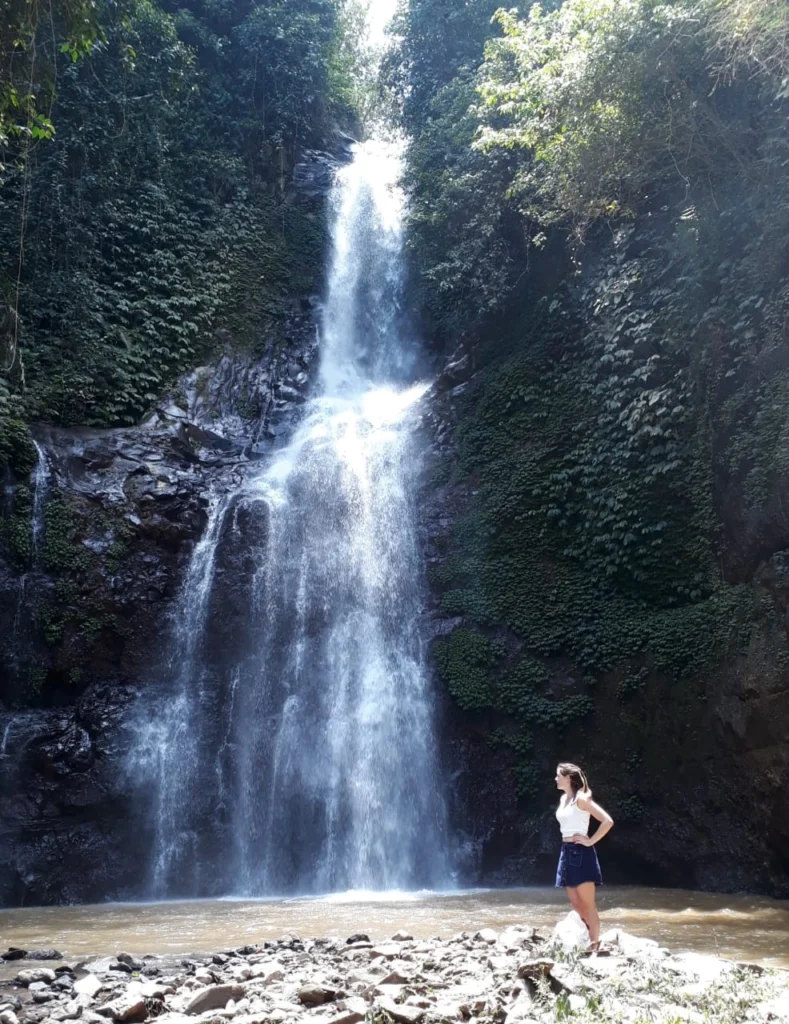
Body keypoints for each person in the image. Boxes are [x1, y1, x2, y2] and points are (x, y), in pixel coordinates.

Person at [554, 762, 614, 952]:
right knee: (576, 903)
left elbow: (607, 821)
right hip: (566, 851)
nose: (555, 779)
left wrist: (591, 841)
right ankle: (588, 938)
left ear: (568, 778)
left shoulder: (581, 799)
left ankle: (594, 945)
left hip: (580, 851)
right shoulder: (564, 799)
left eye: (558, 775)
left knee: (588, 904)